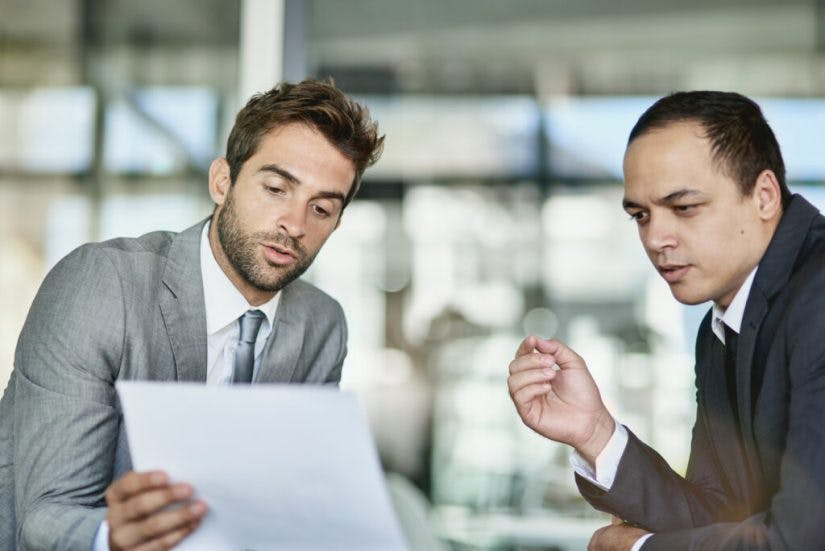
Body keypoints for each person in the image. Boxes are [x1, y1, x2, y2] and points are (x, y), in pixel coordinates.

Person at [0, 78, 384, 550]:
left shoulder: (321, 326)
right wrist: (113, 537)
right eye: (276, 188)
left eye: (321, 208)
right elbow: (44, 519)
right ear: (222, 182)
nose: (295, 224)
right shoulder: (102, 286)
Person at [508, 91, 825, 550]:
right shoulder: (721, 325)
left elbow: (804, 540)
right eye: (641, 215)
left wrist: (639, 550)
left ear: (764, 196)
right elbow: (718, 514)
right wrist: (596, 433)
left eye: (684, 208)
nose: (656, 238)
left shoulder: (817, 299)